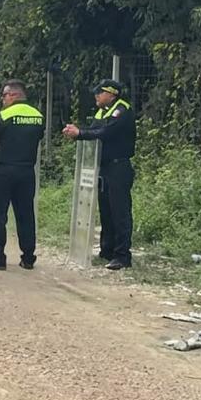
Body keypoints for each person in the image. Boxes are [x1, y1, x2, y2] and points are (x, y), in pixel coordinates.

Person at [63, 79, 136, 270]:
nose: (96, 95)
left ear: (111, 94)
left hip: (118, 167)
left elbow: (106, 132)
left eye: (100, 92)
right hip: (103, 167)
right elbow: (94, 130)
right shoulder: (102, 111)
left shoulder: (121, 110)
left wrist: (80, 133)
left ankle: (122, 256)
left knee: (120, 212)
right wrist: (77, 132)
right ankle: (107, 250)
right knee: (106, 210)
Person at [0, 80, 44, 270]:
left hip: (5, 171)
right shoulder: (37, 116)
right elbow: (39, 136)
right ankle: (28, 257)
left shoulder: (4, 115)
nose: (2, 99)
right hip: (27, 171)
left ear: (14, 95)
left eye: (4, 95)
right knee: (25, 214)